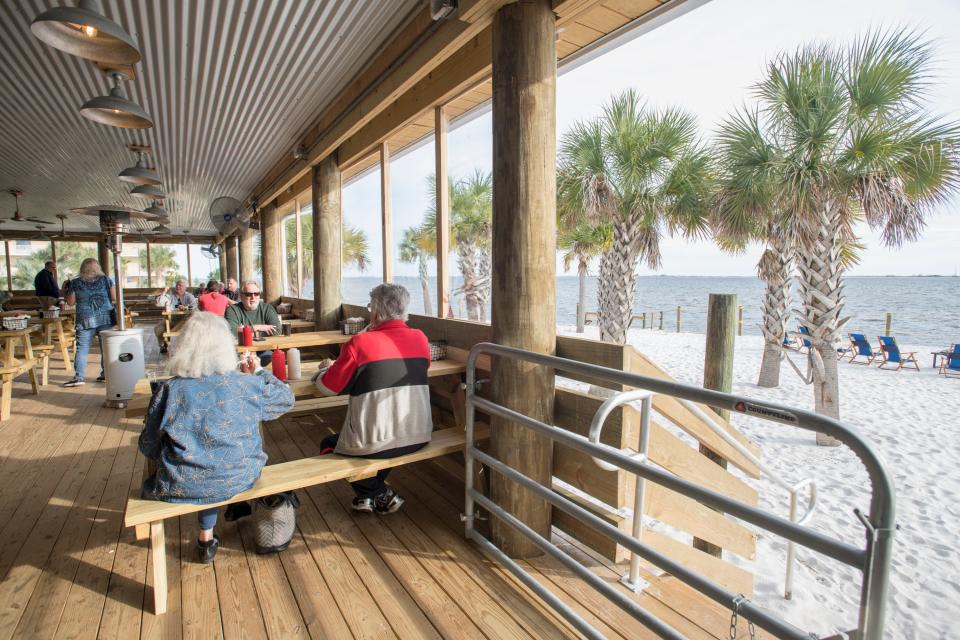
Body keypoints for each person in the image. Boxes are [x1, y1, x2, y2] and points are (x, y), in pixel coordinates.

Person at [139, 312, 294, 563]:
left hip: (183, 483)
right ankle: (226, 515)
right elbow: (286, 399)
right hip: (241, 475)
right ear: (226, 346)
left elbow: (148, 446)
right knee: (219, 461)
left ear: (185, 346)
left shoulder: (170, 390)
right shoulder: (245, 385)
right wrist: (259, 373)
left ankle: (206, 538)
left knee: (197, 464)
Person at [312, 283, 432, 514]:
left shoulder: (360, 342)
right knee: (383, 445)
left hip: (375, 443)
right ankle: (367, 499)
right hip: (419, 435)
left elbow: (328, 388)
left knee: (328, 445)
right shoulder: (420, 338)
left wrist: (323, 371)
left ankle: (377, 492)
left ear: (375, 311)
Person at [63, 258, 115, 387]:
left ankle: (79, 377)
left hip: (85, 319)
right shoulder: (106, 280)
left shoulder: (75, 283)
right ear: (97, 268)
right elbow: (114, 297)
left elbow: (70, 302)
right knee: (106, 347)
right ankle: (106, 374)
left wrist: (65, 290)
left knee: (82, 347)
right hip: (105, 317)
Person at [224, 280, 282, 365]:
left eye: (256, 294)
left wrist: (244, 331)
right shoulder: (232, 310)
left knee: (272, 359)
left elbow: (277, 330)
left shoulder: (267, 308)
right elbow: (231, 332)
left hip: (263, 350)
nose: (253, 297)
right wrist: (257, 328)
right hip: (240, 352)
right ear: (241, 296)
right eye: (248, 294)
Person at [154, 279, 198, 353]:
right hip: (172, 319)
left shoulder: (189, 296)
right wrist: (164, 292)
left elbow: (194, 306)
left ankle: (189, 348)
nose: (178, 287)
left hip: (185, 320)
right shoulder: (171, 296)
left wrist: (186, 307)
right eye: (177, 285)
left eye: (180, 285)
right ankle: (164, 345)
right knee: (158, 328)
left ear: (185, 287)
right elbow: (159, 303)